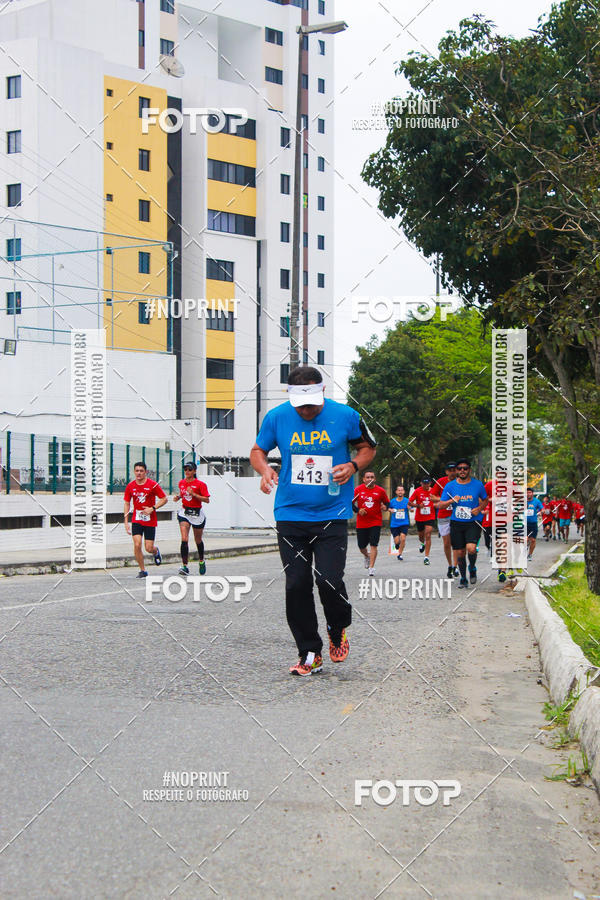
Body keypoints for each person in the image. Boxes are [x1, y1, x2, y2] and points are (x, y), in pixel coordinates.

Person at [250, 365, 376, 676]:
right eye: (300, 405)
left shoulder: (347, 416)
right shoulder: (277, 417)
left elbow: (367, 448)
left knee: (329, 581)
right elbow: (257, 450)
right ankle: (309, 652)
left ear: (322, 392)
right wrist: (264, 469)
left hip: (332, 514)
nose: (306, 411)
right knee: (296, 585)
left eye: (311, 404)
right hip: (291, 514)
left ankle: (337, 627)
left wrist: (353, 465)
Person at [438, 458, 488, 588]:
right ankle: (463, 578)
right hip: (456, 522)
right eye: (459, 469)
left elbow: (485, 499)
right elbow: (441, 505)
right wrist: (451, 501)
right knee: (460, 552)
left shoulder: (478, 485)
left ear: (469, 470)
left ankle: (472, 567)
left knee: (471, 548)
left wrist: (479, 509)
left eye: (465, 468)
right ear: (456, 471)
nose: (462, 471)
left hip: (473, 522)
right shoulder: (450, 486)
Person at [124, 461, 167, 578]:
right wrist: (126, 521)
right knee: (137, 544)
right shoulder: (130, 486)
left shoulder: (152, 485)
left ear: (145, 472)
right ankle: (142, 570)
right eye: (137, 471)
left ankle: (156, 551)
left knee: (148, 548)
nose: (139, 473)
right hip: (137, 520)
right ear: (134, 472)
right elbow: (127, 503)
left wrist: (152, 508)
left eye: (141, 471)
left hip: (150, 520)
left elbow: (164, 499)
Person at [173, 461, 210, 575]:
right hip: (185, 513)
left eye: (189, 469)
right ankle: (184, 566)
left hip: (197, 514)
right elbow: (183, 493)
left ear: (194, 471)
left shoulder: (200, 484)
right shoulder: (181, 483)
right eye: (185, 469)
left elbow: (207, 500)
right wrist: (178, 497)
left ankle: (201, 560)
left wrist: (194, 494)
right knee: (184, 539)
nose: (187, 472)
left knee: (197, 540)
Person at [353, 471, 390, 575]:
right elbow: (350, 503)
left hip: (375, 522)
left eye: (372, 477)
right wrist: (358, 510)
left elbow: (387, 502)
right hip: (362, 523)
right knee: (361, 546)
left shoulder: (380, 491)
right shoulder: (358, 490)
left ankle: (371, 568)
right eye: (367, 477)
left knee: (374, 544)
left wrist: (385, 507)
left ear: (375, 479)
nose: (370, 479)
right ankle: (366, 556)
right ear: (364, 479)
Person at [432, 462, 459, 577]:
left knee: (456, 542)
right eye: (450, 470)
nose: (452, 472)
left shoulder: (461, 482)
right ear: (447, 472)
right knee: (447, 543)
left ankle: (455, 566)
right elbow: (432, 497)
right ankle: (450, 565)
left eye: (454, 470)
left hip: (457, 515)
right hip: (443, 516)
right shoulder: (441, 482)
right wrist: (445, 500)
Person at [408, 475, 436, 566]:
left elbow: (439, 499)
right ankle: (422, 543)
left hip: (430, 516)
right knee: (421, 536)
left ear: (430, 483)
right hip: (420, 517)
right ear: (421, 483)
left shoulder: (433, 491)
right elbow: (410, 502)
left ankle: (426, 557)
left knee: (428, 534)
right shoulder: (417, 491)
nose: (426, 485)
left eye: (427, 483)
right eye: (424, 483)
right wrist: (417, 505)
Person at [388, 484, 410, 560]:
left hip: (404, 523)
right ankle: (397, 544)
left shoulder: (407, 501)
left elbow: (412, 508)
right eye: (399, 490)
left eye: (401, 490)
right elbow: (388, 508)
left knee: (403, 538)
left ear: (404, 492)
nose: (400, 492)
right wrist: (391, 510)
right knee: (397, 541)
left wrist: (411, 508)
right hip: (394, 524)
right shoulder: (392, 501)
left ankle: (400, 554)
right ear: (396, 492)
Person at [526, 488, 544, 560]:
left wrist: (541, 512)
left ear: (532, 493)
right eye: (527, 493)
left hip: (533, 523)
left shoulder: (536, 501)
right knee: (525, 539)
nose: (528, 494)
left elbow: (542, 509)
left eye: (530, 492)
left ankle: (530, 554)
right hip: (524, 523)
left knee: (533, 540)